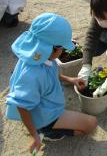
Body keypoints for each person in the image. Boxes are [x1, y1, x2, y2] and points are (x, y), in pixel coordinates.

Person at [5, 13, 97, 154]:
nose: (63, 51)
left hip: (45, 107)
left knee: (86, 124)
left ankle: (47, 129)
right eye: (62, 48)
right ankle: (46, 132)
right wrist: (35, 135)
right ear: (51, 48)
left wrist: (70, 80)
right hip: (45, 117)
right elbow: (21, 106)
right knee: (91, 125)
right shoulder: (32, 75)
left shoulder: (37, 57)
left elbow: (50, 75)